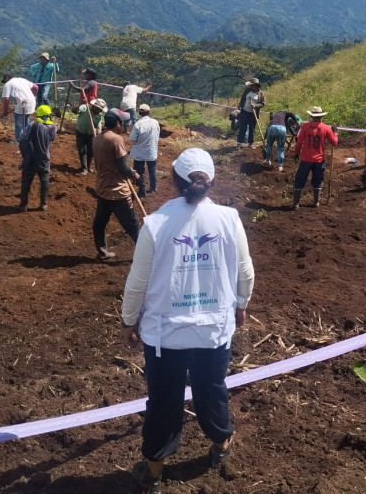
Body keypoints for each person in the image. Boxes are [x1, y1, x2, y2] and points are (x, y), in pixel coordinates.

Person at [120, 148, 255, 492]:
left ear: (173, 181)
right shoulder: (229, 218)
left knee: (164, 400)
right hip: (213, 331)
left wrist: (128, 319)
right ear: (211, 182)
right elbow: (245, 271)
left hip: (165, 338)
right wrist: (242, 303)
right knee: (212, 389)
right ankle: (221, 447)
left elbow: (137, 282)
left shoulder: (155, 224)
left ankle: (153, 472)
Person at [92, 108, 141, 260]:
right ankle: (147, 258)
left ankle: (102, 252)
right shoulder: (116, 140)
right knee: (132, 225)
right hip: (118, 190)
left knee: (99, 223)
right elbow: (123, 167)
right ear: (117, 124)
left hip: (103, 189)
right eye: (122, 122)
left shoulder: (98, 138)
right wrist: (134, 174)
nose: (123, 125)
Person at [291, 106, 338, 209]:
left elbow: (299, 142)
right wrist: (335, 132)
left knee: (300, 180)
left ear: (311, 116)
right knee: (318, 180)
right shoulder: (326, 128)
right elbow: (334, 142)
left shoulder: (305, 127)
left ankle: (296, 204)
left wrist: (296, 153)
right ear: (321, 117)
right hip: (319, 159)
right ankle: (316, 202)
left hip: (306, 159)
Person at [17, 104, 57, 211]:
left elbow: (22, 139)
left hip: (31, 159)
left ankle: (23, 205)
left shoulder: (33, 125)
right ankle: (43, 204)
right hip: (44, 159)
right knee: (44, 182)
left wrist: (25, 155)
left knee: (26, 182)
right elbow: (51, 139)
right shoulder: (53, 127)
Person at [130, 103, 161, 198]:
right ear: (149, 112)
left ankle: (142, 191)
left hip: (139, 152)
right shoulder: (155, 122)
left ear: (139, 113)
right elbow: (157, 135)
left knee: (140, 171)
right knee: (152, 170)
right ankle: (153, 187)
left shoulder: (138, 124)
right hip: (151, 151)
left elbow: (132, 139)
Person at [1, 73, 38, 144]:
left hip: (22, 103)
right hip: (32, 102)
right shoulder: (21, 80)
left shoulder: (8, 84)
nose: (5, 82)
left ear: (6, 79)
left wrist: (5, 111)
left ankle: (19, 141)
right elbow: (36, 87)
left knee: (19, 123)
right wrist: (34, 96)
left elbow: (6, 99)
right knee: (26, 120)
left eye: (5, 80)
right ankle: (28, 139)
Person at [75, 98, 106, 175]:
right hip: (80, 133)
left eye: (101, 109)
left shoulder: (99, 116)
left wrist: (99, 137)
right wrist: (80, 104)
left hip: (90, 134)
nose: (99, 111)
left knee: (91, 151)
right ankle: (84, 168)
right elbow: (74, 111)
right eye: (98, 109)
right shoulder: (85, 108)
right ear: (94, 106)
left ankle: (88, 167)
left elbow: (99, 128)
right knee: (82, 150)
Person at [236, 78, 265, 148]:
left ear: (256, 86)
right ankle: (239, 143)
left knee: (252, 128)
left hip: (253, 113)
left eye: (253, 85)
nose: (251, 87)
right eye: (251, 85)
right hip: (244, 111)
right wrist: (240, 104)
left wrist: (255, 106)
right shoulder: (247, 91)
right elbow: (243, 98)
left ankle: (250, 143)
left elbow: (263, 104)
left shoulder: (261, 93)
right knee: (242, 127)